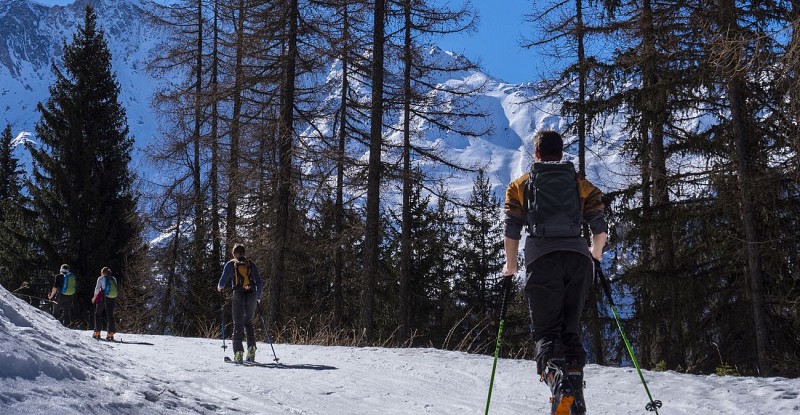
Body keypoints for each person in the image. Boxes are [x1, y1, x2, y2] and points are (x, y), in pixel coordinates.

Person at [502, 130, 607, 415]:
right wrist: (594, 254)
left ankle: (559, 385)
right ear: (560, 153)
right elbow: (599, 226)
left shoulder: (521, 185)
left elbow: (512, 229)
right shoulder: (579, 183)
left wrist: (510, 267)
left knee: (547, 332)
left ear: (536, 154)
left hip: (542, 260)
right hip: (578, 259)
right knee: (570, 331)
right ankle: (575, 392)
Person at [217, 244, 263, 364]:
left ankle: (238, 353)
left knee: (238, 323)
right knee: (248, 322)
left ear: (234, 254)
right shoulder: (250, 264)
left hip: (238, 294)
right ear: (243, 253)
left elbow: (222, 282)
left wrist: (219, 287)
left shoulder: (230, 264)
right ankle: (251, 350)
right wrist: (258, 297)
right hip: (252, 294)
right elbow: (259, 282)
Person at [91, 267, 119, 341]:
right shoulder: (113, 278)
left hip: (103, 296)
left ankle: (97, 332)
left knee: (98, 313)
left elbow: (97, 289)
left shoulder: (101, 278)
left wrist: (94, 298)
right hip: (112, 297)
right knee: (110, 315)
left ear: (102, 272)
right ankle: (110, 333)